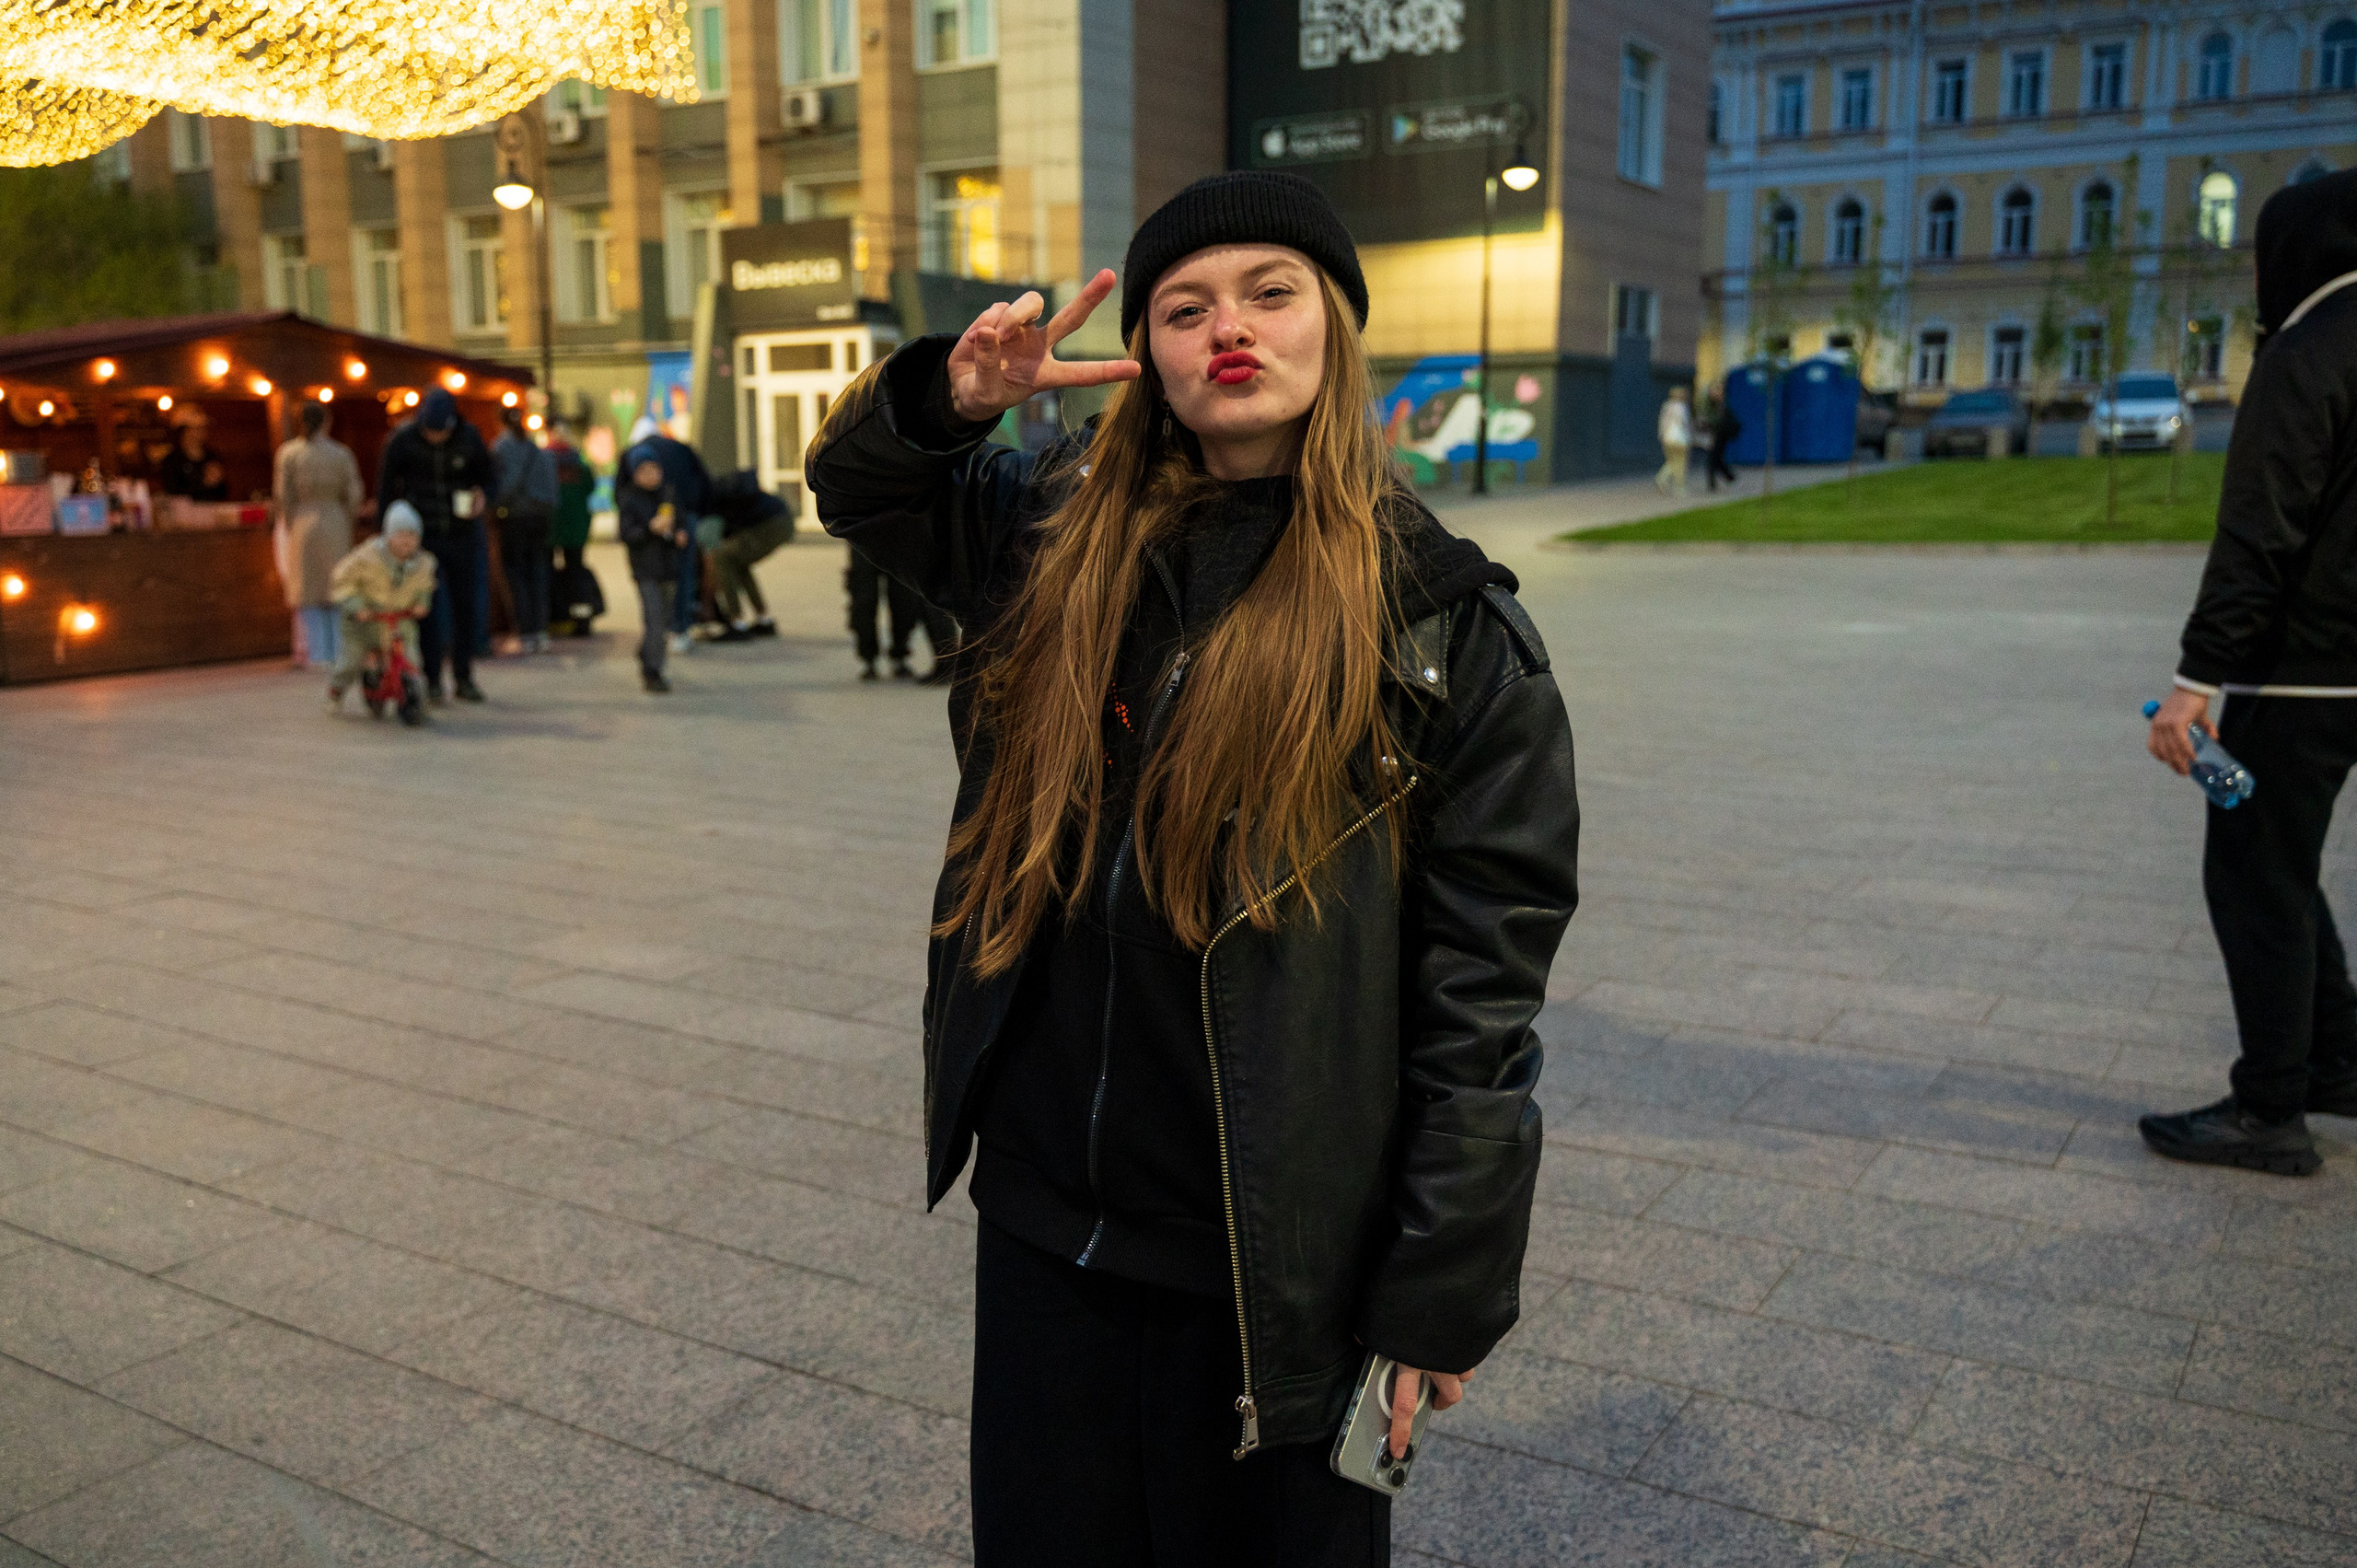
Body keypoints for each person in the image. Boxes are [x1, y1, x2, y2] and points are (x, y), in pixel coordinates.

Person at [808, 170, 1580, 1562]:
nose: (1231, 329)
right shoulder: (1051, 537)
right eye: (1186, 306)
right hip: (1048, 1222)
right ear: (1151, 353)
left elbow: (1486, 991)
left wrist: (1438, 1287)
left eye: (1271, 293)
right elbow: (859, 485)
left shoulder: (1444, 628)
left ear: (1334, 329)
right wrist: (952, 399)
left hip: (1279, 1257)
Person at [2140, 168, 2357, 1179]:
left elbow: (2258, 531)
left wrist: (2195, 681)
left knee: (2251, 866)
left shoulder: (2307, 348)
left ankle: (2269, 1104)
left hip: (2304, 671)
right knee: (2285, 862)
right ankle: (2333, 1062)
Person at [377, 388, 493, 703]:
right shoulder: (402, 440)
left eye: (441, 432)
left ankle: (464, 677)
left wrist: (484, 496)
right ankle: (432, 679)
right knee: (426, 610)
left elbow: (490, 477)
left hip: (463, 536)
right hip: (422, 540)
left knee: (464, 608)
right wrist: (386, 537)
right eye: (429, 431)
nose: (434, 437)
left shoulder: (469, 437)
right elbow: (386, 489)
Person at [273, 402, 366, 671]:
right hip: (335, 520)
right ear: (327, 420)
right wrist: (346, 520)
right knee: (337, 587)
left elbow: (283, 495)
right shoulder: (340, 454)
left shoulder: (288, 454)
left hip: (303, 522)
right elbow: (354, 493)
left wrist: (291, 523)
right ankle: (338, 651)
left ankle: (315, 653)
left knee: (308, 590)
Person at [324, 501, 436, 711]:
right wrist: (357, 606)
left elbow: (425, 586)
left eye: (412, 536)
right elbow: (342, 581)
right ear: (388, 536)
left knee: (410, 657)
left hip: (398, 620)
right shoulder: (367, 557)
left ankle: (413, 691)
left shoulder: (423, 563)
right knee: (351, 660)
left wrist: (422, 603)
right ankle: (336, 691)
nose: (407, 541)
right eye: (400, 535)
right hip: (365, 622)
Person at [621, 420, 713, 653]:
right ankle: (679, 629)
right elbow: (703, 481)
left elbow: (620, 495)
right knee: (684, 575)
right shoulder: (681, 448)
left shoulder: (632, 454)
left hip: (658, 529)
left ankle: (663, 630)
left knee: (660, 584)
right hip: (684, 518)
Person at [616, 454, 687, 693]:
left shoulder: (668, 494)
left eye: (655, 469)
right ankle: (653, 671)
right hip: (645, 569)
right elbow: (627, 534)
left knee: (664, 621)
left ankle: (647, 652)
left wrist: (679, 532)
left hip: (669, 567)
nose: (652, 475)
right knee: (655, 620)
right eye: (645, 471)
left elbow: (681, 520)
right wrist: (650, 529)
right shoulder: (629, 499)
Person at [492, 406, 559, 653]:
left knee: (516, 574)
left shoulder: (501, 448)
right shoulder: (537, 449)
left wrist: (496, 502)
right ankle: (541, 628)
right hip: (541, 517)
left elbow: (503, 486)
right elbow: (552, 489)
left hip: (514, 518)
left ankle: (527, 629)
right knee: (539, 571)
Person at [705, 470, 793, 641]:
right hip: (780, 518)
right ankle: (763, 618)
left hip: (772, 523)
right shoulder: (720, 488)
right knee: (736, 562)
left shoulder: (712, 496)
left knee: (722, 557)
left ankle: (736, 622)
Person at [846, 543, 954, 681]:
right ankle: (870, 658)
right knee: (864, 602)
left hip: (896, 535)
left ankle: (898, 654)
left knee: (904, 601)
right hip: (862, 532)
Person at [547, 421, 600, 636]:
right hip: (576, 527)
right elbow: (590, 488)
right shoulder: (580, 464)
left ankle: (555, 617)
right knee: (576, 572)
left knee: (548, 572)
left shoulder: (545, 461)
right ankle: (581, 621)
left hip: (551, 526)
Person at [157, 418, 230, 501]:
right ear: (183, 431)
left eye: (203, 428)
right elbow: (172, 490)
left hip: (211, 509)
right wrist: (203, 483)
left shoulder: (212, 457)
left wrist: (217, 481)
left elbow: (223, 492)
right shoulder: (173, 459)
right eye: (195, 429)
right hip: (182, 511)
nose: (201, 433)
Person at [1655, 385, 1691, 497]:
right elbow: (1684, 423)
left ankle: (1662, 477)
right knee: (1680, 463)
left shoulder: (1667, 406)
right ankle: (1679, 487)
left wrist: (1661, 435)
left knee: (1671, 461)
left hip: (1667, 437)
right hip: (1680, 438)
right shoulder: (1682, 407)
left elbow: (1662, 422)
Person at [1707, 392, 1741, 490]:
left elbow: (1719, 423)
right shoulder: (1718, 407)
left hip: (1719, 437)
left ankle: (1723, 478)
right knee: (1714, 459)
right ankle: (1722, 479)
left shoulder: (1721, 408)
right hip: (1718, 437)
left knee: (1714, 459)